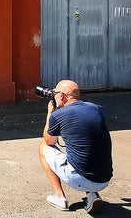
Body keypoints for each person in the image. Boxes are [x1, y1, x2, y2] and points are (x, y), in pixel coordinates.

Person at [39, 80, 112, 213]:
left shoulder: (58, 115)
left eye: (55, 93)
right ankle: (92, 195)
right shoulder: (93, 107)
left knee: (43, 148)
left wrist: (50, 113)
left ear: (61, 96)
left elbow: (50, 141)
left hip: (79, 179)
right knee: (86, 149)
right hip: (104, 178)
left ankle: (60, 198)